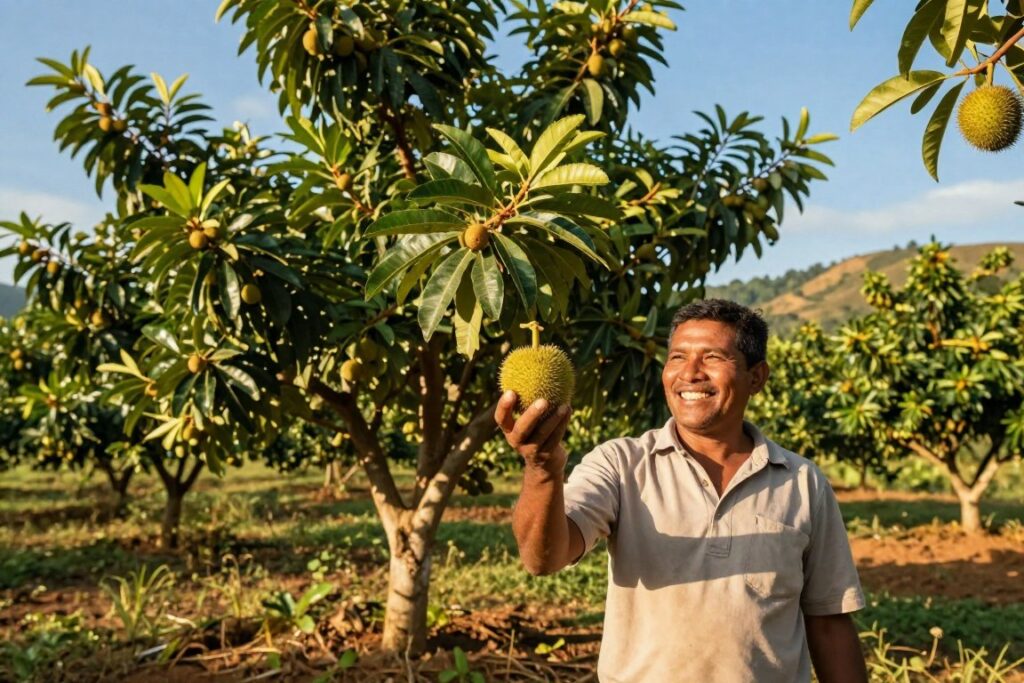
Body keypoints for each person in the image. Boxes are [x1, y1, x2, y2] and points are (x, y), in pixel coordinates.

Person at [495, 299, 867, 682]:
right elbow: (544, 558)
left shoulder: (802, 482)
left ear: (756, 377)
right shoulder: (621, 463)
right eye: (677, 357)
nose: (690, 373)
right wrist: (542, 468)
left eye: (712, 358)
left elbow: (829, 622)